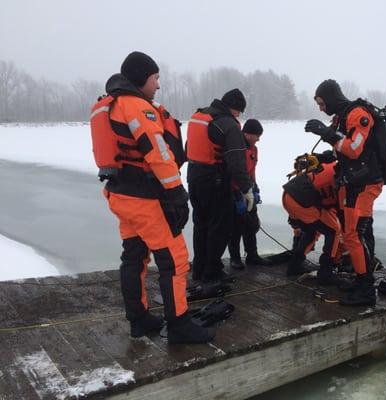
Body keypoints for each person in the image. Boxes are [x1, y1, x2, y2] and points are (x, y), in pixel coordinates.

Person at [90, 51, 214, 344]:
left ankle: (139, 319)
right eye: (155, 78)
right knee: (175, 260)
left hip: (120, 195)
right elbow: (156, 152)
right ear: (142, 78)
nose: (158, 85)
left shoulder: (111, 105)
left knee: (134, 256)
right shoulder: (136, 106)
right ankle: (179, 324)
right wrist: (177, 193)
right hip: (144, 198)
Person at [305, 79, 384, 306]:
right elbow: (344, 150)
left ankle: (366, 289)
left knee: (354, 235)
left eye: (321, 103)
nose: (321, 108)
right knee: (355, 234)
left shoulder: (358, 114)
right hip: (352, 182)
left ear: (330, 99)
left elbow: (354, 149)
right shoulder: (341, 117)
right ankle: (362, 280)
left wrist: (326, 133)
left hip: (365, 184)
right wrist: (327, 154)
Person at [186, 89, 254, 283]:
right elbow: (236, 161)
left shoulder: (199, 117)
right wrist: (246, 188)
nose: (238, 116)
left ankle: (198, 269)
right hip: (215, 181)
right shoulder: (229, 124)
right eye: (239, 112)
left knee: (201, 225)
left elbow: (187, 148)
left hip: (194, 177)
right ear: (235, 109)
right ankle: (212, 272)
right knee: (220, 227)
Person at [282, 158, 341, 284]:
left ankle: (294, 265)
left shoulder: (334, 166)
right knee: (334, 230)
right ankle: (326, 272)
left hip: (289, 196)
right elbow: (341, 211)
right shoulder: (345, 176)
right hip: (302, 201)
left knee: (312, 230)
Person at [228, 119, 273, 269]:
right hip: (235, 191)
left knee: (251, 224)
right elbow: (232, 172)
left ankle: (252, 255)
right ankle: (235, 258)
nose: (258, 139)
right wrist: (236, 195)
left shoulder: (253, 149)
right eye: (257, 135)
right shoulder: (236, 147)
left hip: (249, 190)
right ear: (247, 134)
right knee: (236, 227)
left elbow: (252, 171)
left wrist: (255, 189)